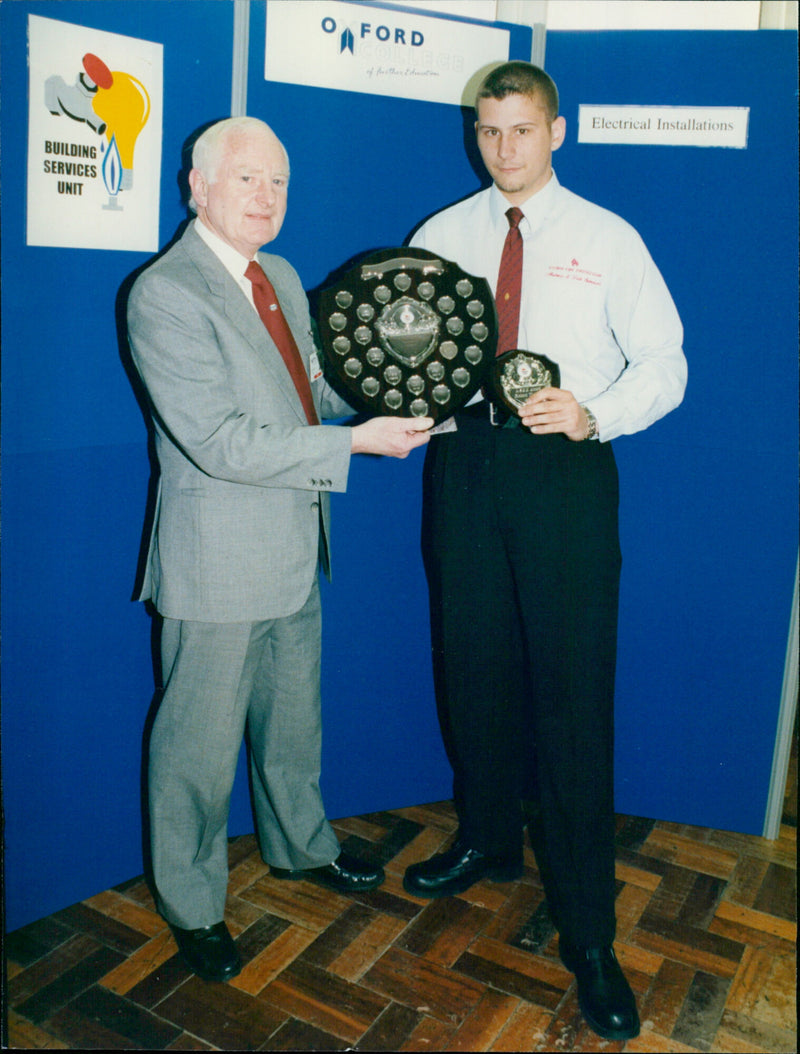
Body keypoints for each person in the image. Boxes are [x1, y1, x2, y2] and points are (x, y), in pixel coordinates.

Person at [402, 63, 686, 1042]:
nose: (503, 150)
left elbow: (666, 361)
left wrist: (594, 410)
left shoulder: (607, 239)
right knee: (468, 664)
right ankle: (483, 834)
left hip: (563, 468)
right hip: (466, 467)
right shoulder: (441, 236)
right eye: (487, 132)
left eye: (520, 131)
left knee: (568, 695)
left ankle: (588, 929)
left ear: (555, 131)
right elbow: (414, 357)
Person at [127, 116, 431, 984]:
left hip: (296, 541)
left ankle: (301, 846)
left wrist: (401, 379)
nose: (266, 198)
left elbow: (311, 389)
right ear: (198, 186)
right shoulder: (165, 293)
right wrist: (356, 446)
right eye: (247, 179)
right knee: (195, 746)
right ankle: (191, 903)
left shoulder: (285, 277)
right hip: (218, 558)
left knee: (295, 723)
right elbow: (220, 440)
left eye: (278, 182)